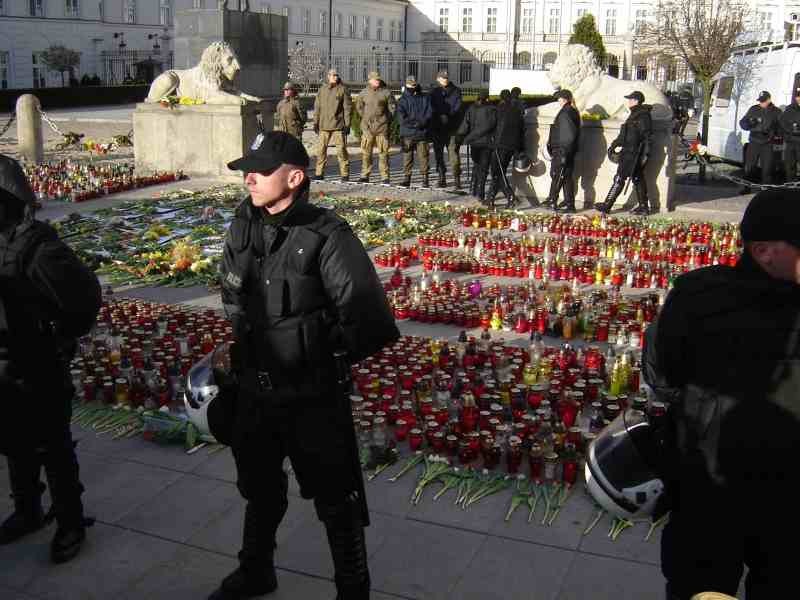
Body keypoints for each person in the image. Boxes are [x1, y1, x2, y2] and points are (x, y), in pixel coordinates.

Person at [212, 130, 400, 600]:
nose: (249, 178)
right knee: (258, 488)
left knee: (337, 500)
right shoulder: (243, 225)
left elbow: (369, 320)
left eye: (260, 170)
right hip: (253, 389)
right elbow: (234, 293)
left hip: (311, 396)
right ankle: (256, 570)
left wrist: (312, 348)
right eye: (246, 170)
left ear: (294, 178)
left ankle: (353, 588)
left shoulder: (327, 235)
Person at [643, 189, 800, 599]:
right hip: (712, 490)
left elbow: (663, 373)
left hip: (776, 501)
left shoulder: (696, 295)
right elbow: (664, 370)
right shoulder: (700, 298)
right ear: (765, 251)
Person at [0, 154, 101, 563]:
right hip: (4, 367)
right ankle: (28, 509)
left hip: (37, 362)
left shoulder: (37, 248)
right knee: (13, 443)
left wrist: (58, 339)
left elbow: (83, 300)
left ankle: (70, 522)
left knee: (54, 447)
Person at [597, 90, 652, 215]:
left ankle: (607, 204)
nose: (629, 101)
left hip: (634, 154)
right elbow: (626, 134)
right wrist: (614, 145)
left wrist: (645, 155)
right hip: (628, 152)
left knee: (620, 178)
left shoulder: (642, 115)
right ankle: (643, 206)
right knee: (637, 179)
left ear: (636, 101)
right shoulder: (634, 114)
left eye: (631, 99)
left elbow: (647, 137)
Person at [542, 89, 581, 213]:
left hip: (562, 150)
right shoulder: (570, 111)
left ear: (564, 99)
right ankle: (569, 205)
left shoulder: (566, 112)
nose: (558, 100)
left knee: (557, 175)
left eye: (559, 98)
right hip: (565, 150)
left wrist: (564, 152)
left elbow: (568, 135)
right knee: (566, 176)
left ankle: (553, 200)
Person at [355, 71, 396, 185]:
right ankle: (365, 175)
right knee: (366, 154)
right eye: (375, 79)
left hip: (382, 128)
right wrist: (365, 117)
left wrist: (386, 120)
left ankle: (385, 176)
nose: (377, 81)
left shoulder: (386, 92)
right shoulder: (363, 93)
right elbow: (358, 107)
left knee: (383, 154)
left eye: (378, 79)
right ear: (370, 80)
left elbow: (392, 108)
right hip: (367, 128)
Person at [456, 90, 497, 204]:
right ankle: (480, 193)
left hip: (474, 142)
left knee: (477, 165)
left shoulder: (471, 108)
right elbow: (494, 125)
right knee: (483, 169)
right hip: (486, 143)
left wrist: (460, 137)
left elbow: (465, 125)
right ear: (487, 98)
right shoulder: (492, 109)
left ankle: (473, 189)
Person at [313, 68, 352, 182]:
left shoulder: (343, 89)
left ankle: (345, 174)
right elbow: (317, 107)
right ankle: (319, 173)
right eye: (333, 75)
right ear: (328, 76)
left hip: (338, 126)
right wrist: (316, 122)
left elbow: (347, 108)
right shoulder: (322, 90)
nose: (335, 77)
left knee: (341, 151)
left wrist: (347, 124)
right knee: (320, 150)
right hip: (324, 125)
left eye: (336, 75)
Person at [739, 90, 781, 193]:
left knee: (767, 168)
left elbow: (781, 128)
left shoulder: (776, 112)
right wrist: (749, 123)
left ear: (769, 100)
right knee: (749, 167)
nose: (761, 103)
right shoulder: (754, 109)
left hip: (767, 143)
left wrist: (774, 132)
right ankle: (746, 188)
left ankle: (765, 190)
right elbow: (742, 123)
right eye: (760, 101)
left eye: (763, 101)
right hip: (754, 141)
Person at [487, 89, 524, 207]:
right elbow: (521, 130)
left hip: (500, 145)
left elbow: (491, 127)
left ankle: (509, 196)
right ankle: (490, 198)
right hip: (511, 146)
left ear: (501, 98)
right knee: (499, 171)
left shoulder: (499, 110)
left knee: (497, 172)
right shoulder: (517, 111)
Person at [396, 75, 432, 188]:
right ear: (406, 85)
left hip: (422, 133)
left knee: (424, 156)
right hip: (408, 133)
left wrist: (422, 122)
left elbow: (429, 112)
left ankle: (425, 178)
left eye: (414, 85)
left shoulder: (424, 97)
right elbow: (401, 118)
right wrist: (415, 124)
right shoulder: (402, 100)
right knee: (407, 157)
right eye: (410, 85)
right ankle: (407, 178)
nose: (412, 87)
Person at [430, 70, 464, 189]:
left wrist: (447, 115)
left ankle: (456, 179)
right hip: (438, 127)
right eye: (443, 78)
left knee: (453, 154)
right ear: (438, 79)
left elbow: (458, 107)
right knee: (438, 154)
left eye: (446, 78)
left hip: (451, 128)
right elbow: (432, 108)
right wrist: (440, 115)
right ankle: (441, 177)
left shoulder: (456, 91)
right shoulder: (434, 92)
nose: (445, 79)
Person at [779, 88, 800, 182]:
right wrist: (790, 129)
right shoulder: (789, 109)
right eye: (798, 96)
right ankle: (790, 184)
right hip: (791, 142)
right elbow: (782, 123)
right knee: (789, 166)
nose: (799, 98)